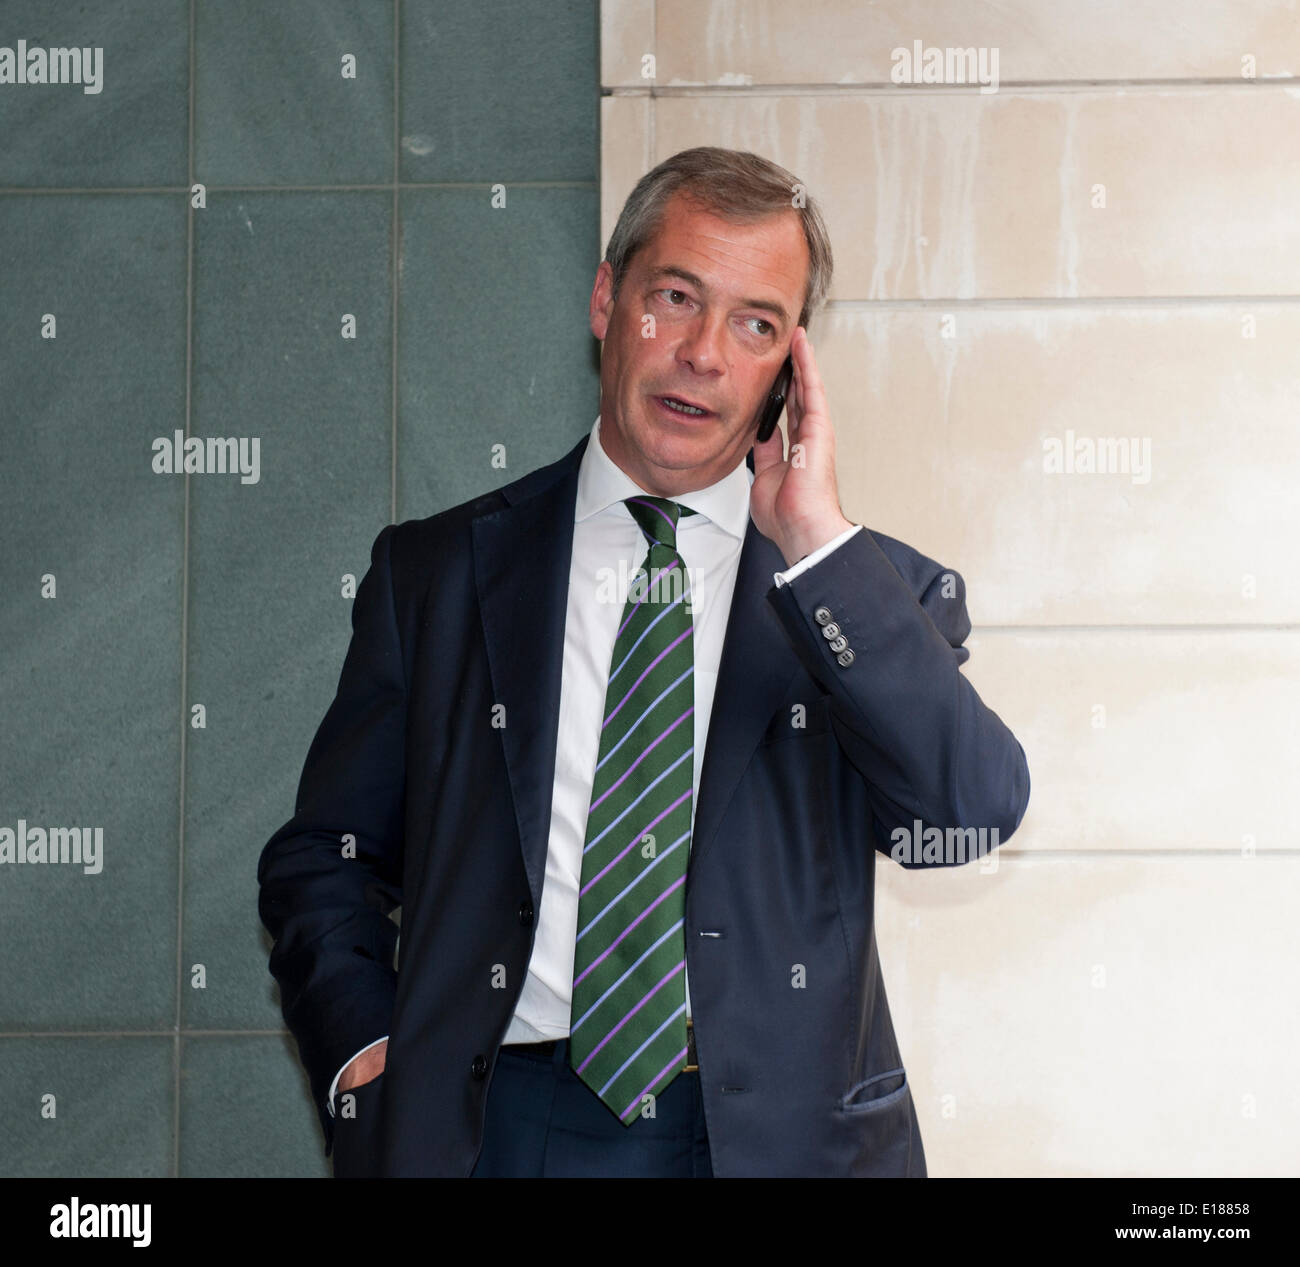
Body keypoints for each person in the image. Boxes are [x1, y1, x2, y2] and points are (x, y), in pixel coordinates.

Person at [257, 145, 1030, 1178]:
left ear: (789, 368)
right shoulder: (435, 573)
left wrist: (818, 547)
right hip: (503, 1128)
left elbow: (966, 813)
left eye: (755, 324)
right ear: (607, 300)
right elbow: (326, 858)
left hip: (782, 1140)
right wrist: (367, 1060)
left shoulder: (866, 591)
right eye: (676, 297)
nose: (705, 353)